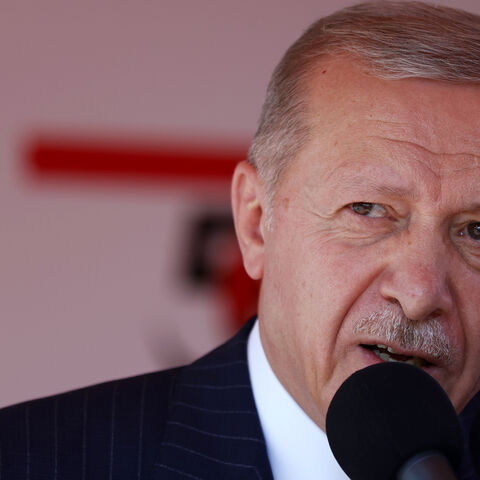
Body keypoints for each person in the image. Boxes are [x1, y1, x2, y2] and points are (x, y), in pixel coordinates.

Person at [2, 1, 480, 478]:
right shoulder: (29, 459)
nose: (419, 294)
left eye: (475, 231)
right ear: (255, 222)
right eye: (368, 210)